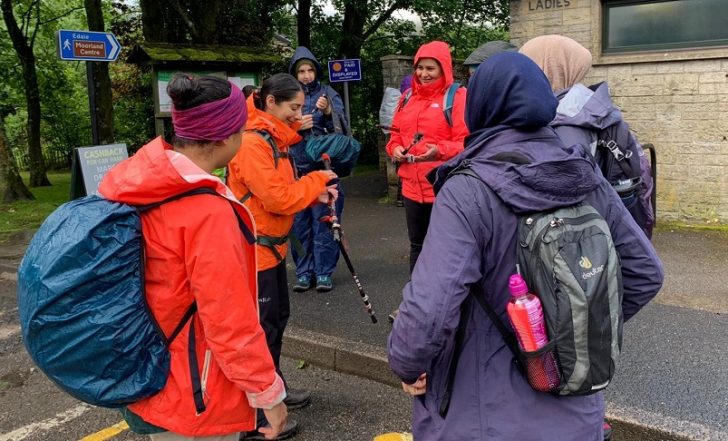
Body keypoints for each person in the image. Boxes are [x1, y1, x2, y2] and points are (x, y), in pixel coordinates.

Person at [387, 52, 664, 441]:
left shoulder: (467, 189)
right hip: (575, 408)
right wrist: (575, 326)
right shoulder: (583, 175)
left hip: (481, 415)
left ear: (480, 107)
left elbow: (428, 313)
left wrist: (405, 362)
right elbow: (645, 274)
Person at [98, 74, 288, 441]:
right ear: (226, 136)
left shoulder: (137, 182)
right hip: (193, 391)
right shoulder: (208, 213)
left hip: (143, 370)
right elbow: (228, 319)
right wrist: (268, 394)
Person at [227, 73, 338, 440]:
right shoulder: (251, 143)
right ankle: (256, 415)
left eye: (301, 107)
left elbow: (284, 191)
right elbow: (279, 197)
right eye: (293, 107)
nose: (298, 114)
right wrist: (319, 182)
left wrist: (312, 193)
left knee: (276, 321)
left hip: (271, 249)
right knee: (260, 331)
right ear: (270, 102)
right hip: (254, 252)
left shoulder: (274, 139)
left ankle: (275, 392)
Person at [520, 34, 655, 239]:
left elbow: (564, 201)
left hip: (580, 243)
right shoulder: (590, 107)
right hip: (607, 228)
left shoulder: (566, 120)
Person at [386, 40, 468, 275]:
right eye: (420, 68)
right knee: (417, 246)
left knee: (447, 249)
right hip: (412, 188)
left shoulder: (457, 97)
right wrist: (395, 149)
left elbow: (467, 142)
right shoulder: (407, 97)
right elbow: (395, 133)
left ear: (444, 68)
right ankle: (417, 304)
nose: (423, 74)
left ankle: (447, 305)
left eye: (430, 68)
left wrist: (439, 151)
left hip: (443, 187)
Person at [287, 47, 347, 293]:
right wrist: (296, 126)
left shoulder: (328, 93)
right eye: (301, 71)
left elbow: (342, 130)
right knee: (299, 225)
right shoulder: (286, 95)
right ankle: (304, 272)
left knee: (325, 222)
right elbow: (273, 129)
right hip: (295, 170)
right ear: (294, 73)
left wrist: (328, 112)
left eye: (310, 69)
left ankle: (323, 273)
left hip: (323, 170)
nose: (306, 75)